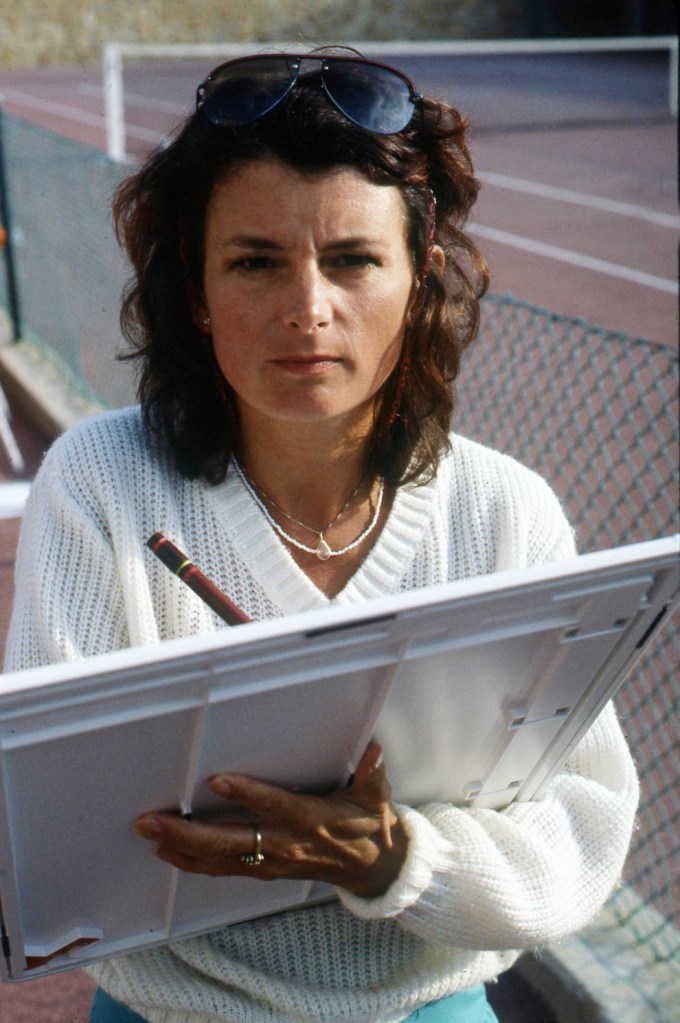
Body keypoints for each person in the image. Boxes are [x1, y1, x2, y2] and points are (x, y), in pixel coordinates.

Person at [4, 49, 639, 1023]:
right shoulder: (100, 483)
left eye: (353, 259)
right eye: (255, 262)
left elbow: (580, 839)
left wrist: (396, 858)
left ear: (420, 278)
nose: (307, 309)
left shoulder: (505, 511)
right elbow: (49, 838)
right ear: (195, 289)